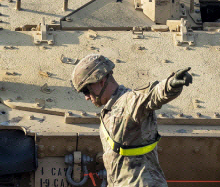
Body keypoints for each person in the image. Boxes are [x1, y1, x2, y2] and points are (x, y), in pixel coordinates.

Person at [71, 54, 192, 187]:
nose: (87, 97)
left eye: (86, 90)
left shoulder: (129, 101)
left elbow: (152, 96)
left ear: (101, 81)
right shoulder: (110, 109)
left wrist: (171, 85)